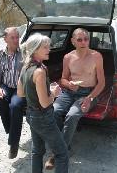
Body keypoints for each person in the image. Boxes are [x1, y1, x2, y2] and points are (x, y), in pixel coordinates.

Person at [45, 28, 105, 169]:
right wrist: (69, 84)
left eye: (86, 39)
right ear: (73, 41)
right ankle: (65, 145)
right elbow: (63, 79)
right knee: (54, 112)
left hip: (89, 93)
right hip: (69, 92)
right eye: (79, 39)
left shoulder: (96, 56)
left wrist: (89, 98)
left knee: (72, 115)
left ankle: (58, 153)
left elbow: (102, 83)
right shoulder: (68, 57)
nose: (83, 42)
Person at [17, 33, 69, 173]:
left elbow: (20, 93)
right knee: (62, 153)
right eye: (45, 47)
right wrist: (54, 93)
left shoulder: (25, 67)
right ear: (35, 49)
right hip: (43, 116)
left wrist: (44, 90)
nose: (49, 49)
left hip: (31, 114)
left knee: (37, 151)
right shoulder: (39, 71)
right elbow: (45, 103)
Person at [0, 27, 26, 159]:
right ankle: (12, 130)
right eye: (13, 37)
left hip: (20, 87)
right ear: (5, 39)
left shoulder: (24, 53)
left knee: (15, 106)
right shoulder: (0, 54)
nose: (16, 40)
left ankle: (13, 144)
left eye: (17, 37)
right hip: (5, 85)